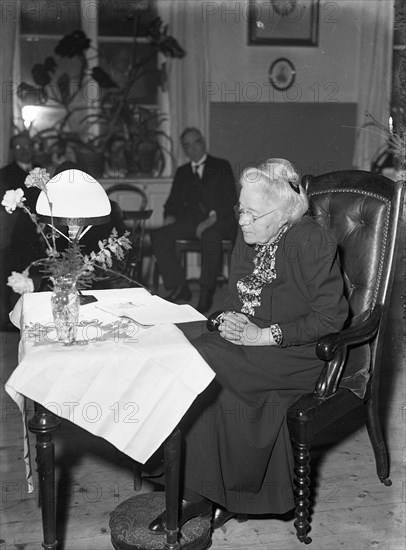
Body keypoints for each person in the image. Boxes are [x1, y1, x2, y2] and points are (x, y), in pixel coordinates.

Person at [147, 158, 349, 536]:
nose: (241, 222)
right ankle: (208, 492)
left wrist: (264, 335)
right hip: (251, 340)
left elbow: (329, 319)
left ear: (284, 210)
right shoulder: (252, 232)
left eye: (252, 214)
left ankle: (195, 495)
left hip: (297, 353)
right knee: (179, 346)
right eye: (240, 210)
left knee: (201, 361)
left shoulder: (311, 240)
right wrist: (225, 317)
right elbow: (234, 292)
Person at [151, 128, 238, 313]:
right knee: (159, 235)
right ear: (184, 149)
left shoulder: (221, 165)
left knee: (210, 236)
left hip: (220, 221)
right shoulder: (183, 172)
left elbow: (230, 200)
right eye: (187, 146)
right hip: (191, 222)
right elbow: (172, 202)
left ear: (203, 143)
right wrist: (169, 215)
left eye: (196, 143)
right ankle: (180, 287)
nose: (192, 149)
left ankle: (206, 292)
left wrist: (210, 220)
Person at [0, 133, 43, 328]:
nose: (24, 150)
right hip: (15, 238)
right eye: (18, 147)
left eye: (27, 146)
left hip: (40, 236)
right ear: (11, 151)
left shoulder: (40, 172)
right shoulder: (6, 173)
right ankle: (11, 322)